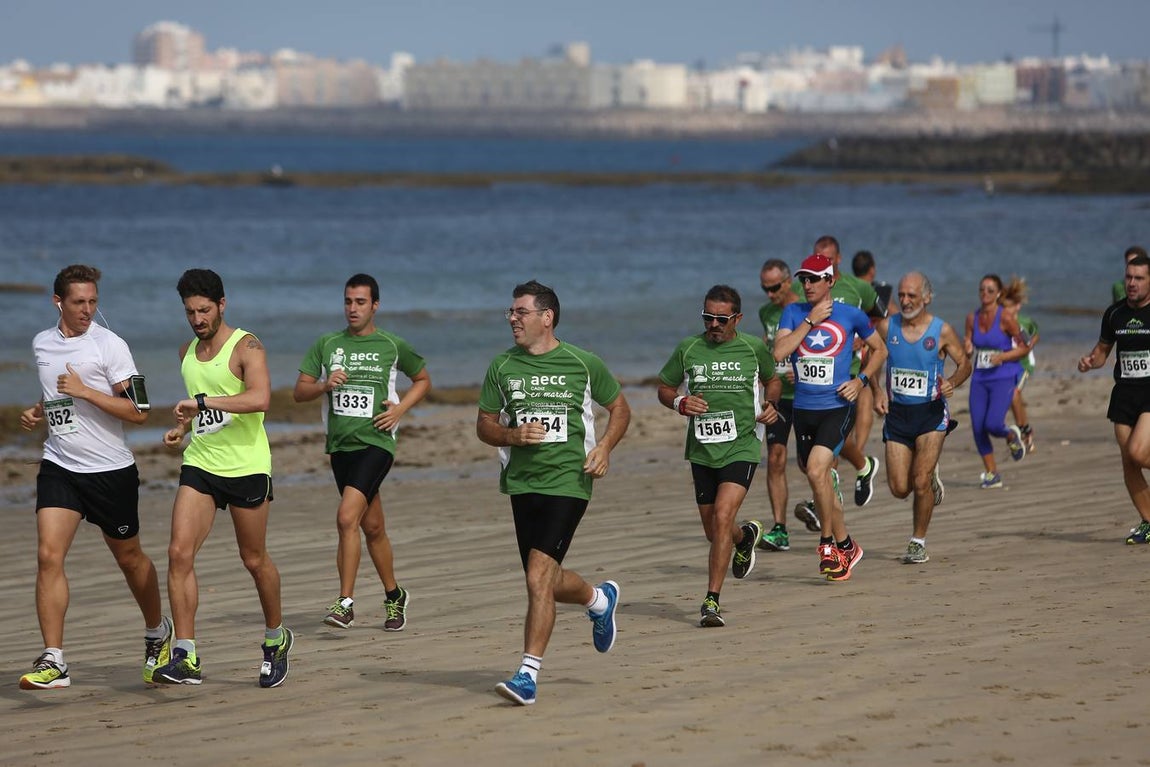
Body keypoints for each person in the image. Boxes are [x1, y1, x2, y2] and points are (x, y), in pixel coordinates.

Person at [477, 280, 630, 706]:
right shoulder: (501, 366)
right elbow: (484, 425)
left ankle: (527, 675)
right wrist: (512, 435)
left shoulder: (583, 363)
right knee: (545, 578)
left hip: (569, 480)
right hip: (522, 482)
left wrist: (604, 448)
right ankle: (598, 600)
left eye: (520, 312)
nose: (512, 318)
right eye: (510, 312)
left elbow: (620, 408)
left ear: (547, 317)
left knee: (536, 577)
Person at [17, 265, 171, 690]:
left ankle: (157, 630)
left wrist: (85, 391)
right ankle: (54, 659)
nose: (87, 310)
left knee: (130, 558)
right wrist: (39, 409)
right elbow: (55, 390)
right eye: (79, 302)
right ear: (58, 302)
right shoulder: (42, 343)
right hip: (60, 465)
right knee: (48, 555)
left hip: (109, 472)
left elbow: (139, 412)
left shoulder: (111, 345)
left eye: (93, 302)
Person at [154, 268, 293, 688]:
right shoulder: (186, 352)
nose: (197, 319)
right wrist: (182, 429)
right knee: (178, 553)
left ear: (221, 305)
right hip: (201, 463)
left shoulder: (247, 346)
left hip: (246, 466)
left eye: (204, 310)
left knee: (253, 559)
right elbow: (203, 415)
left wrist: (201, 402)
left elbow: (260, 398)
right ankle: (186, 655)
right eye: (190, 312)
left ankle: (276, 638)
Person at [294, 274, 430, 630]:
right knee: (372, 526)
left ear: (375, 306)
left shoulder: (391, 345)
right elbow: (299, 392)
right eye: (348, 301)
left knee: (345, 518)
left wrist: (400, 410)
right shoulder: (327, 344)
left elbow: (423, 379)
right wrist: (324, 385)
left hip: (377, 442)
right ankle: (394, 595)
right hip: (341, 447)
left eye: (360, 302)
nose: (352, 308)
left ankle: (345, 603)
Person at [657, 284, 780, 627]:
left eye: (721, 319)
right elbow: (664, 388)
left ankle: (712, 600)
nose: (713, 324)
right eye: (708, 317)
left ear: (737, 319)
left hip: (742, 444)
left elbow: (772, 380)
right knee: (716, 531)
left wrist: (771, 404)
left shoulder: (753, 347)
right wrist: (680, 402)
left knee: (723, 517)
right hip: (702, 449)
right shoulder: (688, 348)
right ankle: (745, 537)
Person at [773, 254, 887, 581]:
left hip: (837, 407)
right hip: (803, 410)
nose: (807, 284)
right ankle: (847, 545)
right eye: (804, 279)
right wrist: (809, 322)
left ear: (830, 281)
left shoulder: (851, 315)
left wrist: (861, 381)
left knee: (815, 469)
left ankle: (827, 545)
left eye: (814, 279)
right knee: (819, 479)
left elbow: (880, 349)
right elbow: (779, 353)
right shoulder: (793, 313)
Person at [872, 272, 971, 564]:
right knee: (899, 488)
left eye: (912, 295)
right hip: (897, 416)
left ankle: (918, 542)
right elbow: (871, 360)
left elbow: (965, 364)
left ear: (926, 298)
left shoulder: (942, 330)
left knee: (920, 479)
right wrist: (876, 390)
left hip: (931, 414)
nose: (905, 301)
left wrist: (952, 382)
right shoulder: (886, 327)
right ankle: (929, 479)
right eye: (901, 295)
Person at [797, 236, 884, 511]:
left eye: (829, 259)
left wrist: (860, 339)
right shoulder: (805, 289)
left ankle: (825, 510)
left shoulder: (859, 287)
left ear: (838, 261)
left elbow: (880, 318)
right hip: (811, 384)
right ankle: (863, 466)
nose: (809, 282)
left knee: (828, 452)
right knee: (824, 451)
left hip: (852, 371)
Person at [1079, 253, 1150, 544]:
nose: (1132, 283)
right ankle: (1148, 522)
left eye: (1139, 278)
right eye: (1129, 277)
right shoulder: (1114, 313)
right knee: (1129, 462)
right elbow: (1102, 352)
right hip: (1123, 395)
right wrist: (1089, 362)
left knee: (1137, 452)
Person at [757, 259, 820, 551]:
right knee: (775, 458)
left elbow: (824, 344)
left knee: (810, 464)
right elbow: (768, 345)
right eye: (765, 289)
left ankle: (822, 507)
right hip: (779, 396)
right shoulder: (766, 312)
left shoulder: (807, 308)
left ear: (788, 282)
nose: (770, 294)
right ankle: (780, 529)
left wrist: (803, 367)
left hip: (807, 395)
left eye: (774, 288)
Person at [963, 274, 1029, 489]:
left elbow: (1025, 345)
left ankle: (1010, 435)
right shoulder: (972, 318)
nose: (985, 293)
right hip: (980, 377)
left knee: (992, 424)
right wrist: (967, 347)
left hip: (1003, 375)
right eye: (982, 289)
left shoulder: (1006, 317)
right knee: (978, 427)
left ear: (998, 293)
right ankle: (992, 474)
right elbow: (968, 342)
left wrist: (1003, 356)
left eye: (990, 290)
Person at [1001, 278, 1039, 453]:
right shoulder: (1000, 324)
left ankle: (1023, 431)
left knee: (1014, 393)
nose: (1005, 311)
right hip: (1007, 366)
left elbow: (1035, 334)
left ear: (1017, 306)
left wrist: (1029, 346)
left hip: (1024, 365)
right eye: (1003, 307)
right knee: (1013, 399)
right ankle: (1026, 430)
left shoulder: (1024, 322)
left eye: (1008, 307)